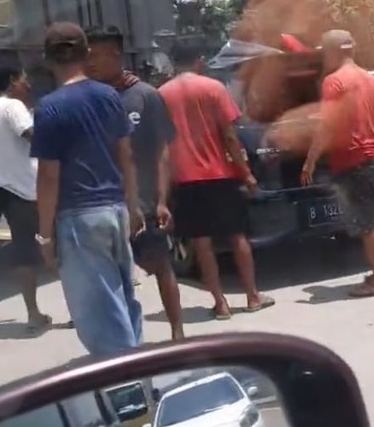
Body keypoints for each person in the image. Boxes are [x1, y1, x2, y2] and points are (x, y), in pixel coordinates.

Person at [31, 22, 145, 358]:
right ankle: (139, 372)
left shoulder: (49, 108)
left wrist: (45, 237)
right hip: (116, 210)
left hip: (79, 218)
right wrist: (134, 205)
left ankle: (127, 389)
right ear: (85, 54)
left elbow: (49, 177)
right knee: (123, 299)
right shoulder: (109, 96)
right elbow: (126, 155)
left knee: (99, 313)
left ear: (48, 60)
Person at [158, 38, 274, 320]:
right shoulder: (213, 88)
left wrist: (161, 196)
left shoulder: (161, 95)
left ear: (174, 63)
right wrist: (245, 174)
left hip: (185, 179)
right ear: (199, 60)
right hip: (220, 174)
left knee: (202, 242)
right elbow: (230, 135)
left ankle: (220, 304)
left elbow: (161, 149)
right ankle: (252, 296)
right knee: (237, 236)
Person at [84, 25, 185, 341]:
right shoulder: (90, 98)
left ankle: (178, 333)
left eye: (96, 56)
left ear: (116, 54)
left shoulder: (146, 96)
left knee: (160, 266)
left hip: (143, 202)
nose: (90, 63)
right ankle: (126, 344)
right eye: (87, 57)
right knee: (113, 279)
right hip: (104, 205)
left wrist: (161, 199)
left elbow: (163, 150)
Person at [301, 30, 374, 298]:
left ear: (332, 51)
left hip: (355, 159)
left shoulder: (334, 82)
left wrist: (310, 161)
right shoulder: (372, 79)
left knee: (368, 224)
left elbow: (326, 126)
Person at [0, 65, 51, 334]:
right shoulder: (13, 107)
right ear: (11, 83)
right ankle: (82, 311)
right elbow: (34, 137)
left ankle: (33, 314)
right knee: (63, 246)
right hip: (31, 189)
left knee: (24, 251)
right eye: (23, 80)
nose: (28, 85)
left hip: (6, 191)